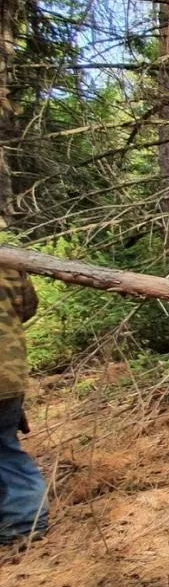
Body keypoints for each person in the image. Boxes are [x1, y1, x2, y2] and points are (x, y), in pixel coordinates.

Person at [0, 232, 46, 545]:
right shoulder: (9, 261)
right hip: (9, 371)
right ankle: (23, 521)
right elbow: (28, 307)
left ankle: (24, 523)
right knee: (5, 446)